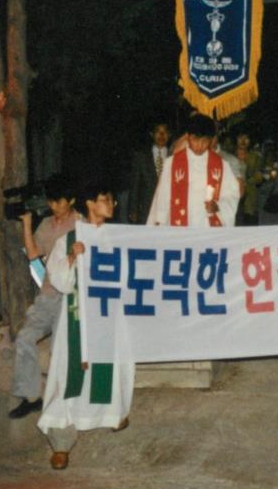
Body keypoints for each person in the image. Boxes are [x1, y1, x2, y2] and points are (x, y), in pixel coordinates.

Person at [36, 179, 134, 470]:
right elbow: (60, 282)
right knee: (69, 375)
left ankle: (112, 413)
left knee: (112, 366)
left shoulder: (120, 238)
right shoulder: (69, 240)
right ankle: (62, 441)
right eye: (106, 199)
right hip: (76, 318)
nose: (112, 205)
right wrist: (71, 258)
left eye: (113, 200)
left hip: (110, 316)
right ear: (90, 203)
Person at [9, 175, 78, 419]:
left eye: (58, 202)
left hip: (69, 296)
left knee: (59, 346)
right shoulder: (46, 224)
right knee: (25, 338)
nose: (53, 206)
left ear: (70, 200)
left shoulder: (80, 224)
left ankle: (62, 399)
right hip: (47, 294)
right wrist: (27, 224)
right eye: (51, 202)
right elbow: (33, 254)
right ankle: (31, 397)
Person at [146, 113, 240, 228]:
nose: (199, 146)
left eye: (205, 141)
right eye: (195, 140)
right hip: (179, 225)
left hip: (207, 225)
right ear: (188, 137)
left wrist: (218, 206)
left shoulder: (221, 165)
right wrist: (158, 223)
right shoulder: (172, 163)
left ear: (211, 140)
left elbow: (232, 195)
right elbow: (162, 197)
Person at [126, 122, 170, 224]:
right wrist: (133, 210)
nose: (162, 135)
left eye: (165, 132)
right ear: (152, 134)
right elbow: (135, 184)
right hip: (146, 209)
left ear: (170, 134)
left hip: (167, 209)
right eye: (158, 132)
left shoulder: (173, 155)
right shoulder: (141, 156)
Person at [235, 133, 264, 225]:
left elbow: (258, 178)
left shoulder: (256, 157)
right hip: (233, 197)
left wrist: (248, 181)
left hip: (250, 200)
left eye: (246, 138)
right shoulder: (229, 156)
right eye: (240, 138)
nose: (243, 141)